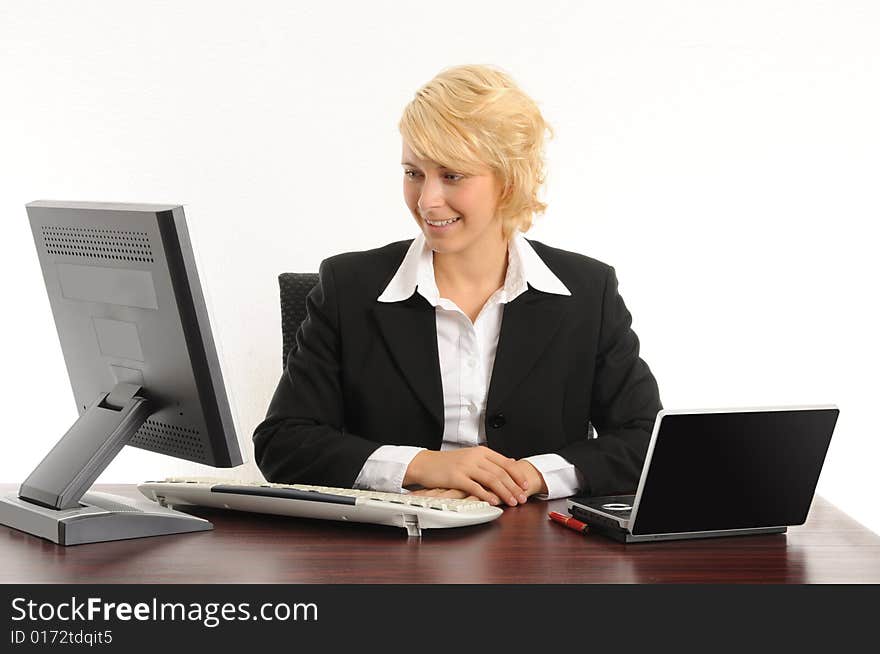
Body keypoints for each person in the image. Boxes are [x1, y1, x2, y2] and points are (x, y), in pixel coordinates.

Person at [253, 64, 661, 507]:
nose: (427, 200)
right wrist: (421, 465)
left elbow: (646, 441)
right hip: (390, 551)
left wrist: (534, 474)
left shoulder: (587, 291)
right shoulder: (347, 287)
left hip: (537, 550)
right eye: (413, 173)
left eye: (452, 175)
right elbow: (283, 443)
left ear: (509, 181)